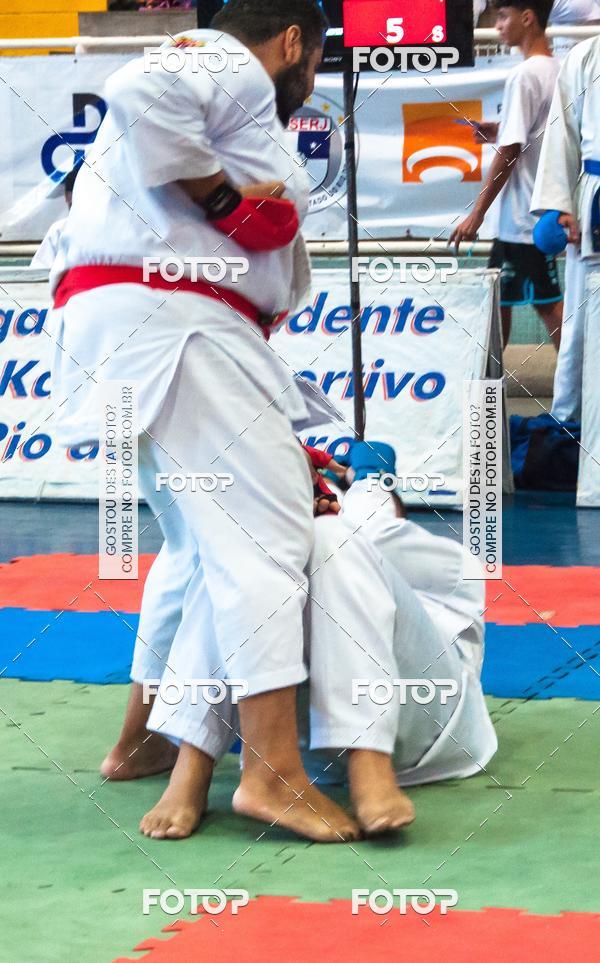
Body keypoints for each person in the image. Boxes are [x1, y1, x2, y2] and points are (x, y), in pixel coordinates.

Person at [48, 0, 367, 844]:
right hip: (181, 326)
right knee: (268, 541)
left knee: (198, 550)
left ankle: (144, 738)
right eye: (315, 58)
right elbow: (137, 85)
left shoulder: (227, 103)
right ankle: (270, 772)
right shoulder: (225, 61)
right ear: (294, 41)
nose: (308, 81)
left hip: (154, 328)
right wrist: (225, 198)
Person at [450, 1, 563, 349]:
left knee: (545, 308)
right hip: (536, 213)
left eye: (503, 16)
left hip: (523, 217)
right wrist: (500, 129)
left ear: (527, 18)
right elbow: (538, 131)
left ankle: (582, 392)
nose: (497, 24)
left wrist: (477, 213)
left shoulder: (525, 74)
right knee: (503, 305)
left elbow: (511, 152)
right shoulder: (557, 69)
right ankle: (494, 397)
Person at [530, 34, 600, 421]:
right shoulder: (586, 56)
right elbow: (562, 134)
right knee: (585, 327)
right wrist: (558, 204)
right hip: (596, 206)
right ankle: (571, 427)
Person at [30, 162, 82, 270]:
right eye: (81, 193)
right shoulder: (59, 230)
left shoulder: (109, 229)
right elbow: (39, 272)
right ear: (68, 196)